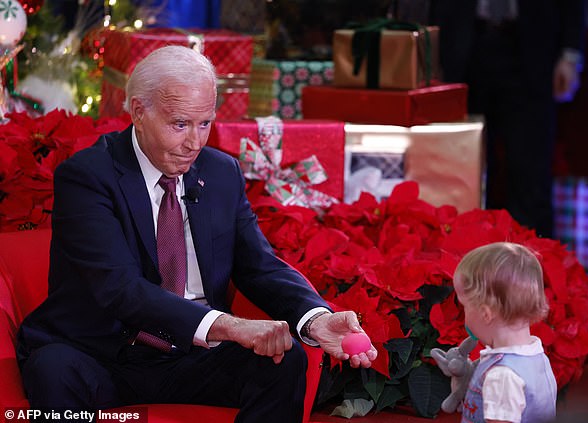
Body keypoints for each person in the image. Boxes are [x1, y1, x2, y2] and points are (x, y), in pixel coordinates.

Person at [16, 45, 377, 423]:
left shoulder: (221, 173)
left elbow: (259, 265)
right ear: (139, 112)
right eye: (180, 124)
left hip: (191, 356)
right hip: (101, 352)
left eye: (204, 123)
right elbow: (119, 288)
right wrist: (231, 326)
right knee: (52, 370)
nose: (195, 142)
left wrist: (315, 318)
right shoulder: (89, 176)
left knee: (284, 361)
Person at [429, 0, 587, 238]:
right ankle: (463, 262)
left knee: (530, 176)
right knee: (463, 173)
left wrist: (571, 53)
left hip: (532, 51)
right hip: (465, 48)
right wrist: (431, 50)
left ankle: (531, 266)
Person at [452, 242, 556, 423]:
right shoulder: (537, 357)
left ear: (485, 313)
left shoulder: (502, 376)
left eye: (465, 306)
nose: (464, 314)